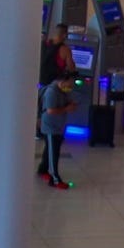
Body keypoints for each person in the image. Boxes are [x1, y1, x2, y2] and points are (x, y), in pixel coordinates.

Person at [38, 48, 73, 188]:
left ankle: (42, 169)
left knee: (50, 150)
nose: (70, 87)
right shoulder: (52, 92)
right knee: (53, 153)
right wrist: (67, 108)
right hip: (51, 127)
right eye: (69, 85)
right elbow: (51, 110)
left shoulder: (62, 91)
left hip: (58, 126)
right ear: (61, 81)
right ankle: (55, 178)